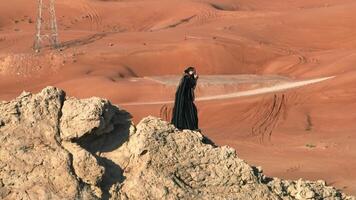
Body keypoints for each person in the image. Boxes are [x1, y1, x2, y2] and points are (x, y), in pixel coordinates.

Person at [171, 66, 199, 131]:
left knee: (190, 111)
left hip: (184, 98)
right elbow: (191, 85)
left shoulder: (186, 78)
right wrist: (195, 79)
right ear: (189, 71)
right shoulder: (187, 78)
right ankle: (187, 126)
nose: (194, 72)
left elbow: (191, 87)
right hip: (184, 99)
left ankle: (186, 126)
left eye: (194, 71)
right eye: (192, 71)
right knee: (189, 111)